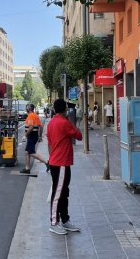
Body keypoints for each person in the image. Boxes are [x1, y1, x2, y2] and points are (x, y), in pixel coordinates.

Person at [46, 98, 82, 235]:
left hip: (57, 161)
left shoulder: (51, 123)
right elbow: (79, 136)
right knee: (58, 193)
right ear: (65, 110)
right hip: (61, 163)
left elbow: (49, 143)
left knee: (63, 192)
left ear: (55, 109)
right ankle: (54, 222)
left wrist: (51, 159)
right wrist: (70, 120)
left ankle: (65, 220)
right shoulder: (64, 123)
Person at [20, 104, 49, 174]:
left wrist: (25, 135)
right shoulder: (36, 115)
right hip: (34, 136)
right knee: (27, 152)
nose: (26, 108)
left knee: (31, 152)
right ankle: (27, 168)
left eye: (27, 107)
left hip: (31, 136)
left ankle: (47, 162)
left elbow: (31, 127)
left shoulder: (30, 116)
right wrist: (40, 136)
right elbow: (41, 126)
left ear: (29, 109)